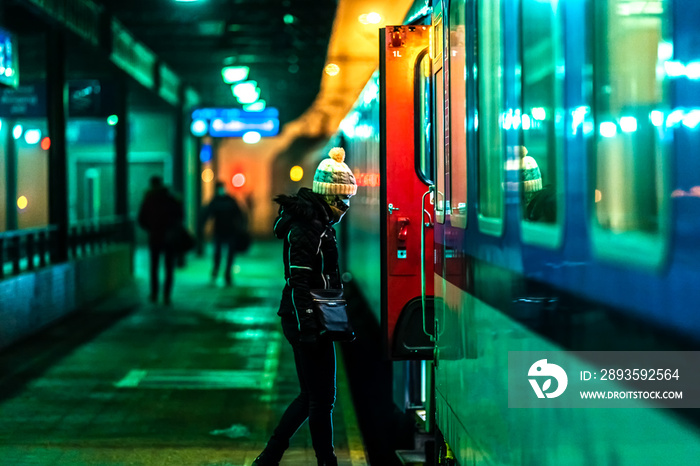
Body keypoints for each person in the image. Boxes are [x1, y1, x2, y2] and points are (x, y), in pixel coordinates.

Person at [253, 147, 357, 466]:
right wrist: (310, 327)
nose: (345, 208)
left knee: (313, 396)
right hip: (304, 321)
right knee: (320, 399)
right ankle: (324, 460)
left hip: (315, 319)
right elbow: (300, 284)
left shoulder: (319, 224)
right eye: (342, 201)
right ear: (328, 197)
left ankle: (271, 457)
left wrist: (339, 323)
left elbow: (325, 281)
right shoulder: (305, 230)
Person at [137, 176, 184, 305]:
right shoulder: (170, 199)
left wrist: (151, 228)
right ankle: (166, 295)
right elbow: (180, 216)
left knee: (155, 267)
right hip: (169, 237)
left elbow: (141, 219)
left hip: (155, 237)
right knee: (169, 267)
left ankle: (154, 294)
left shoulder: (148, 200)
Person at [201, 181, 246, 285]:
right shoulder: (227, 201)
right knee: (221, 253)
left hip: (226, 232)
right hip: (225, 232)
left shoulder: (219, 201)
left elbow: (207, 214)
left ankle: (222, 273)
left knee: (223, 253)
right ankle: (223, 273)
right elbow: (240, 214)